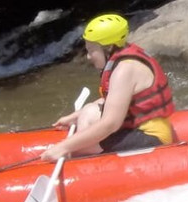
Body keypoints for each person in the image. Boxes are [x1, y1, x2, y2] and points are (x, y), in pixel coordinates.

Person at [41, 13, 176, 161]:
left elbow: (110, 124)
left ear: (109, 47)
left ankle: (88, 167)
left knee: (78, 149)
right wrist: (75, 116)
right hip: (143, 128)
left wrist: (63, 147)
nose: (88, 57)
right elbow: (117, 100)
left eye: (91, 50)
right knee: (88, 110)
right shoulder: (124, 59)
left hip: (150, 137)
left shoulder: (124, 70)